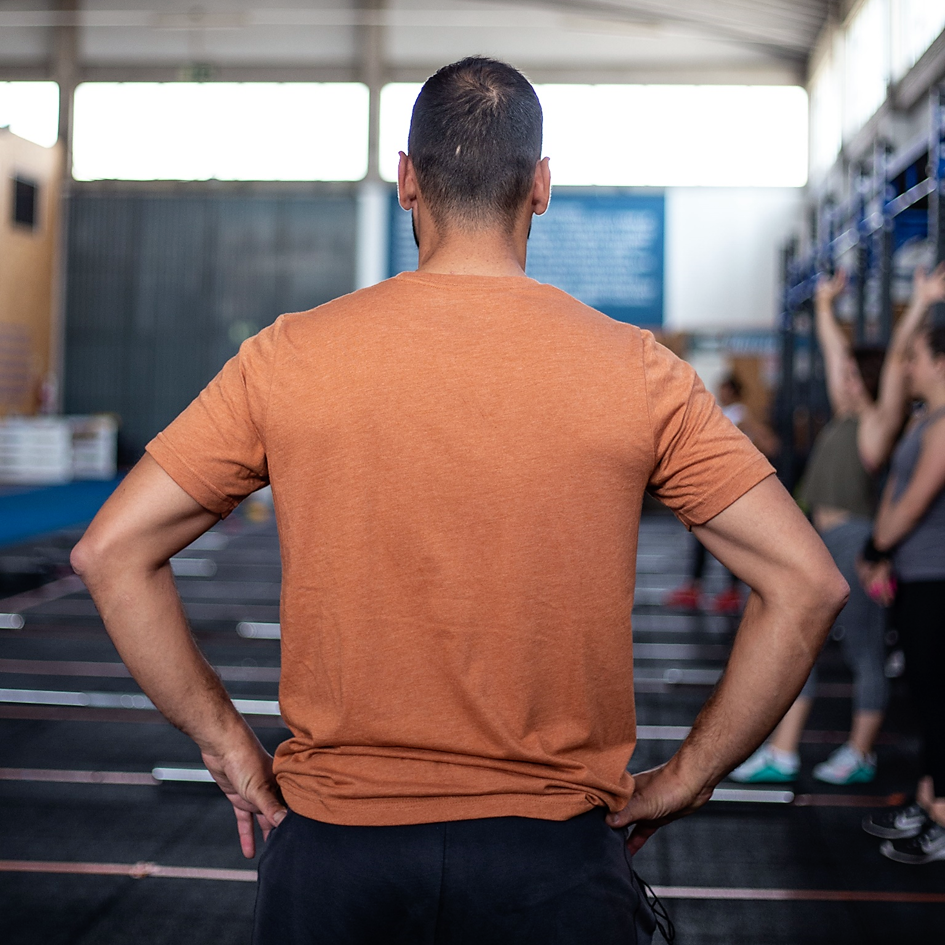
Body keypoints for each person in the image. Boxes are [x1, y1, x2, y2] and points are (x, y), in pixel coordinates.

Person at [70, 57, 848, 944]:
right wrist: (687, 776)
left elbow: (110, 552)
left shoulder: (288, 357)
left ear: (406, 179)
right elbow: (806, 583)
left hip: (333, 857)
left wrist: (226, 744)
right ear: (541, 187)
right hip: (553, 864)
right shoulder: (638, 372)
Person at [731, 265, 945, 786]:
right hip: (823, 540)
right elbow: (834, 356)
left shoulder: (878, 425)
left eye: (853, 375)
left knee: (864, 652)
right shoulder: (844, 420)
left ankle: (860, 751)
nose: (843, 379)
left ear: (870, 383)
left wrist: (921, 303)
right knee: (794, 641)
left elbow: (896, 364)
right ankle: (782, 752)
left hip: (855, 540)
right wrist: (825, 307)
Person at [860, 323, 945, 864]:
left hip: (938, 580)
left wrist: (875, 545)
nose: (906, 367)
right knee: (925, 698)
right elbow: (894, 488)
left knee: (939, 701)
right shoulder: (923, 419)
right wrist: (883, 551)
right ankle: (925, 799)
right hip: (915, 575)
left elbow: (915, 502)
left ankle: (940, 817)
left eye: (914, 358)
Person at [665, 375, 779, 615]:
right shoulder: (720, 410)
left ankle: (733, 590)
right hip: (709, 486)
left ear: (733, 391)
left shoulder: (741, 413)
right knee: (702, 537)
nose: (721, 392)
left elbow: (769, 444)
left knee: (731, 540)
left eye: (725, 388)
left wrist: (747, 456)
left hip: (730, 487)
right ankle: (696, 587)